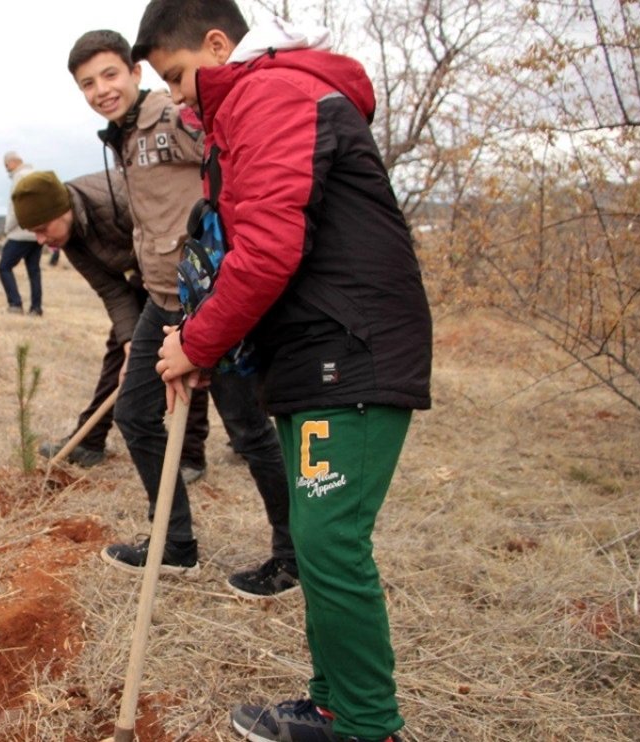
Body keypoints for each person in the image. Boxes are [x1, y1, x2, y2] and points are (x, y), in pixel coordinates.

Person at [138, 4, 433, 742]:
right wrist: (211, 340)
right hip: (313, 351)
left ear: (215, 44)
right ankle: (332, 705)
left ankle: (366, 725)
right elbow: (251, 249)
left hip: (351, 347)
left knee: (330, 539)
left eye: (175, 76)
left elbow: (268, 252)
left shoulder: (272, 94)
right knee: (316, 533)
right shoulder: (245, 113)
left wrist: (198, 345)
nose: (175, 97)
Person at [68, 29, 294, 591]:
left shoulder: (173, 115)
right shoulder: (122, 136)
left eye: (110, 75)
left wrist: (226, 249)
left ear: (135, 72)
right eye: (87, 84)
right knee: (135, 414)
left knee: (247, 429)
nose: (101, 90)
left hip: (215, 300)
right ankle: (176, 543)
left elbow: (231, 159)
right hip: (162, 298)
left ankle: (293, 554)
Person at [14, 170, 208, 473]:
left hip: (177, 269)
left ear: (61, 210)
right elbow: (111, 290)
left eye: (41, 229)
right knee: (121, 348)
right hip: (142, 278)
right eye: (33, 233)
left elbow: (168, 234)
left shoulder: (116, 198)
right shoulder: (69, 236)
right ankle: (90, 441)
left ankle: (190, 455)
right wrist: (131, 341)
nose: (40, 240)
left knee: (185, 353)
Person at [0, 151, 43, 316]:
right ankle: (36, 308)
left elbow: (16, 207)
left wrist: (7, 228)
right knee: (34, 271)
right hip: (37, 232)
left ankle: (15, 304)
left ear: (12, 162)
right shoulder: (36, 175)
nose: (6, 169)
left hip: (20, 233)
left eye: (6, 165)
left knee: (4, 267)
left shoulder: (19, 177)